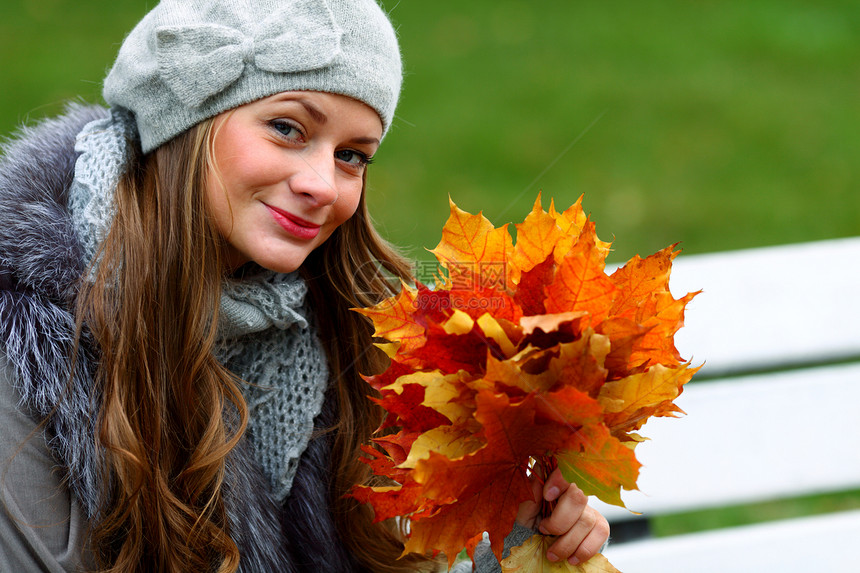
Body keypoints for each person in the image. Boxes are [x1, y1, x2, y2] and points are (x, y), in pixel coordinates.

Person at [0, 0, 610, 571]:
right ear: (181, 121)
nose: (323, 184)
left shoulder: (341, 339)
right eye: (288, 128)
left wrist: (512, 543)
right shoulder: (27, 359)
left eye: (352, 156)